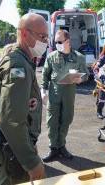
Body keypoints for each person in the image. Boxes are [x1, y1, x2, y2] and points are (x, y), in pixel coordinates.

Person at [0, 13, 48, 184]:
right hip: (12, 149)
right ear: (24, 34)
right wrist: (31, 162)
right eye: (42, 36)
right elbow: (12, 121)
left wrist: (29, 143)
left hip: (14, 145)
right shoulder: (18, 66)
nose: (45, 42)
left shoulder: (22, 60)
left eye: (46, 37)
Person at [40, 29, 90, 162]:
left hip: (68, 95)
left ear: (67, 41)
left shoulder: (78, 57)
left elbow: (86, 74)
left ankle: (61, 146)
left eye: (59, 41)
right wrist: (43, 92)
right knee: (51, 121)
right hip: (54, 94)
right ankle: (53, 148)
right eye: (55, 41)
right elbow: (45, 74)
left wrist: (82, 79)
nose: (56, 44)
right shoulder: (52, 56)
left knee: (66, 120)